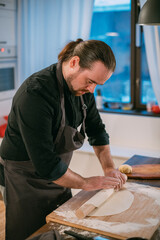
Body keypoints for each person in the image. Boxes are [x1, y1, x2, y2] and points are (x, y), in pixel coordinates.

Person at [0, 39, 126, 240]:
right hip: (24, 179)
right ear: (74, 62)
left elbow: (97, 132)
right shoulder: (35, 93)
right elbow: (46, 163)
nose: (92, 89)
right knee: (30, 235)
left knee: (60, 229)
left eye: (98, 84)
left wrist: (109, 168)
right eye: (91, 81)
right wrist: (85, 182)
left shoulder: (83, 91)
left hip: (58, 175)